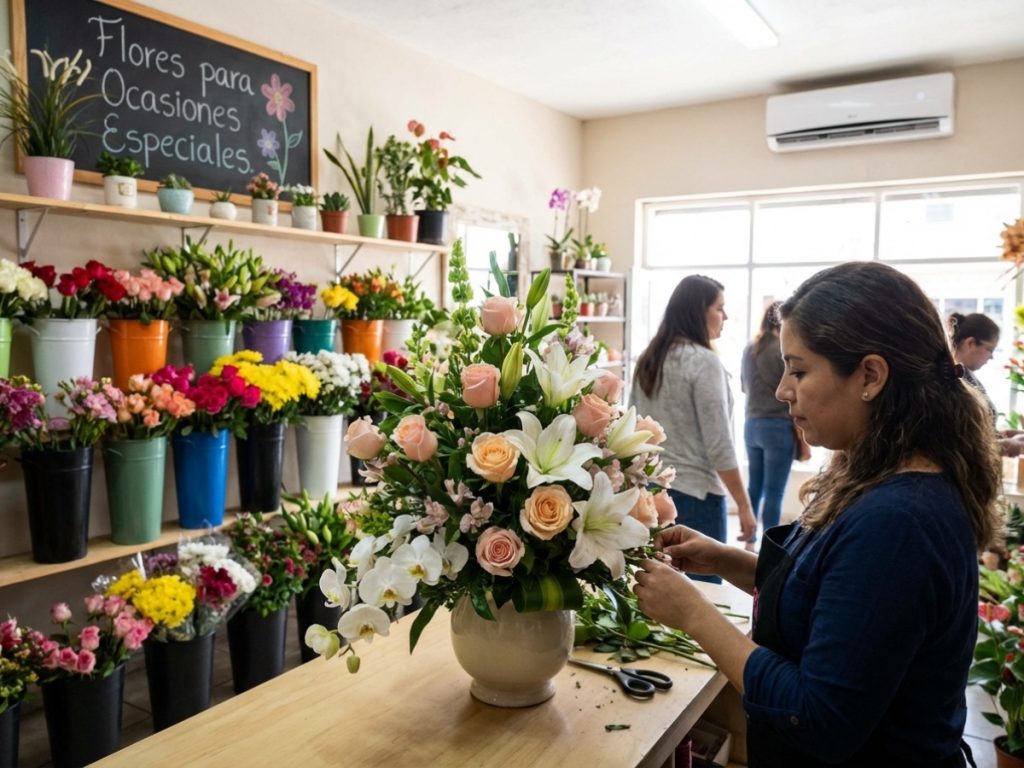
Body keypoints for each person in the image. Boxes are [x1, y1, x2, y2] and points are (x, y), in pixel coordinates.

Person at [634, 262, 1000, 767]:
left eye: (799, 370)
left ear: (870, 375)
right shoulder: (879, 479)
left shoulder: (899, 522)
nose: (783, 389)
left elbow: (816, 715)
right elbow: (837, 601)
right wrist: (726, 561)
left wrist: (694, 613)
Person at [630, 275, 756, 583]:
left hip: (651, 494)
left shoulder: (650, 358)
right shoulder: (704, 362)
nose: (724, 316)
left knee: (656, 594)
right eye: (719, 308)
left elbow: (632, 427)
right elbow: (719, 444)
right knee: (702, 601)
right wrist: (744, 505)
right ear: (700, 311)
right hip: (697, 498)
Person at [741, 301, 799, 551]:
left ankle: (750, 542)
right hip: (776, 425)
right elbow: (791, 388)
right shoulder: (781, 349)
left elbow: (744, 386)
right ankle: (771, 548)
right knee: (774, 491)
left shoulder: (750, 348)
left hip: (751, 425)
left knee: (754, 487)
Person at [948, 311, 999, 427]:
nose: (991, 356)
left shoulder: (964, 377)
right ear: (970, 343)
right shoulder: (952, 381)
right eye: (990, 349)